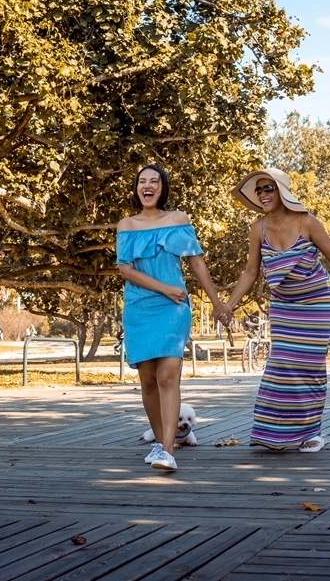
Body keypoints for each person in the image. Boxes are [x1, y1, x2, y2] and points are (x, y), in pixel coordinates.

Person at [222, 168, 330, 454]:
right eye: (259, 190)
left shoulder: (307, 222)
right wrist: (228, 306)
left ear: (282, 191)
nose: (263, 194)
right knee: (281, 364)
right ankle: (276, 434)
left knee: (309, 367)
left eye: (268, 188)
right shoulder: (258, 228)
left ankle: (313, 432)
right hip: (283, 306)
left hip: (319, 305)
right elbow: (250, 272)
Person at [116, 164, 228, 472]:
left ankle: (167, 450)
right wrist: (164, 287)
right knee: (148, 380)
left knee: (167, 377)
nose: (148, 186)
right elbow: (126, 270)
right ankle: (159, 442)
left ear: (163, 188)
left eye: (154, 181)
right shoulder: (126, 224)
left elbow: (198, 264)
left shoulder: (178, 220)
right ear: (137, 188)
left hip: (173, 308)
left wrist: (217, 303)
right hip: (139, 307)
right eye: (142, 181)